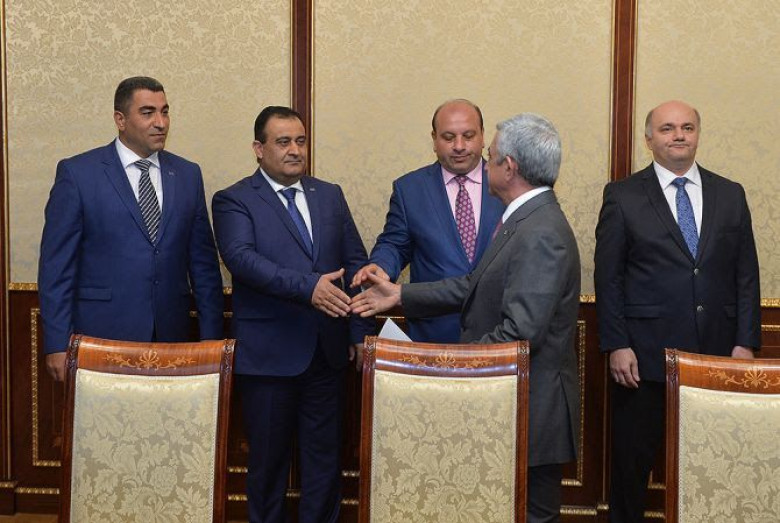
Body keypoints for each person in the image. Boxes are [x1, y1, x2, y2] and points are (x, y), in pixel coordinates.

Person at [353, 113, 580, 523]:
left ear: (509, 167)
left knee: (530, 512)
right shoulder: (525, 219)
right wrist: (400, 294)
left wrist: (449, 368)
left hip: (532, 407)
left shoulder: (540, 231)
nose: (483, 162)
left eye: (490, 154)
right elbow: (475, 285)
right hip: (511, 399)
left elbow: (520, 332)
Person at [594, 100, 761, 523]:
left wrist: (745, 343)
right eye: (667, 128)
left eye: (687, 127)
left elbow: (746, 276)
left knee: (717, 467)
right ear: (648, 139)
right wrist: (616, 344)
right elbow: (608, 278)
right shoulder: (623, 196)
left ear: (698, 134)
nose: (679, 135)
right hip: (643, 360)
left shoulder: (730, 194)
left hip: (717, 356)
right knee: (631, 470)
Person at [212, 106, 373, 523]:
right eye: (283, 142)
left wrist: (359, 332)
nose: (295, 150)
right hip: (268, 357)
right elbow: (242, 259)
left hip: (328, 353)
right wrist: (309, 287)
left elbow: (356, 264)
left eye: (300, 141)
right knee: (268, 465)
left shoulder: (329, 195)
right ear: (258, 148)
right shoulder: (234, 199)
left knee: (325, 463)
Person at [38, 76, 224, 381]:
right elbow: (56, 268)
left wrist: (211, 341)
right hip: (101, 338)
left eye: (165, 112)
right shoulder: (78, 174)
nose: (160, 123)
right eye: (148, 113)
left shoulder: (188, 174)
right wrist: (57, 344)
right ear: (120, 120)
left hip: (172, 340)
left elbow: (204, 266)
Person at [351, 99, 504, 342]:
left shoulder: (509, 183)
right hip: (433, 333)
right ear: (434, 140)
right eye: (448, 137)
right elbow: (395, 244)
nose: (459, 146)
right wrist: (381, 266)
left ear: (483, 136)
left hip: (498, 333)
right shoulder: (410, 189)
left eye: (468, 136)